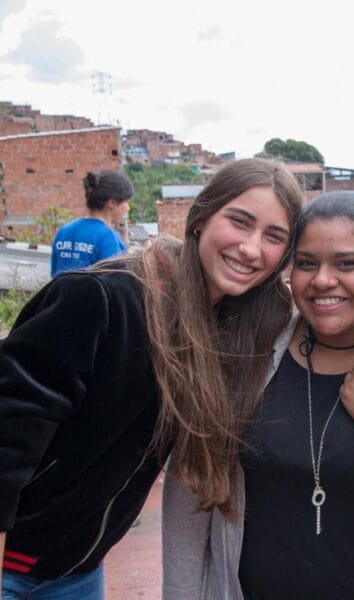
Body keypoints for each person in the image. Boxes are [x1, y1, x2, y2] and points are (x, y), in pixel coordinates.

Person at [0, 158, 303, 599]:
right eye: (240, 222)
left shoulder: (227, 325)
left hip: (78, 570)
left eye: (274, 237)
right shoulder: (105, 299)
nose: (252, 249)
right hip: (15, 568)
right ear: (201, 217)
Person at [162, 191, 354, 600]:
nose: (322, 280)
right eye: (306, 263)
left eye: (347, 264)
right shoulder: (248, 352)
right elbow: (191, 493)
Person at [50, 169, 134, 276]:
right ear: (112, 203)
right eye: (126, 202)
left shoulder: (64, 231)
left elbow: (54, 277)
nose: (128, 207)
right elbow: (116, 284)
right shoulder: (109, 238)